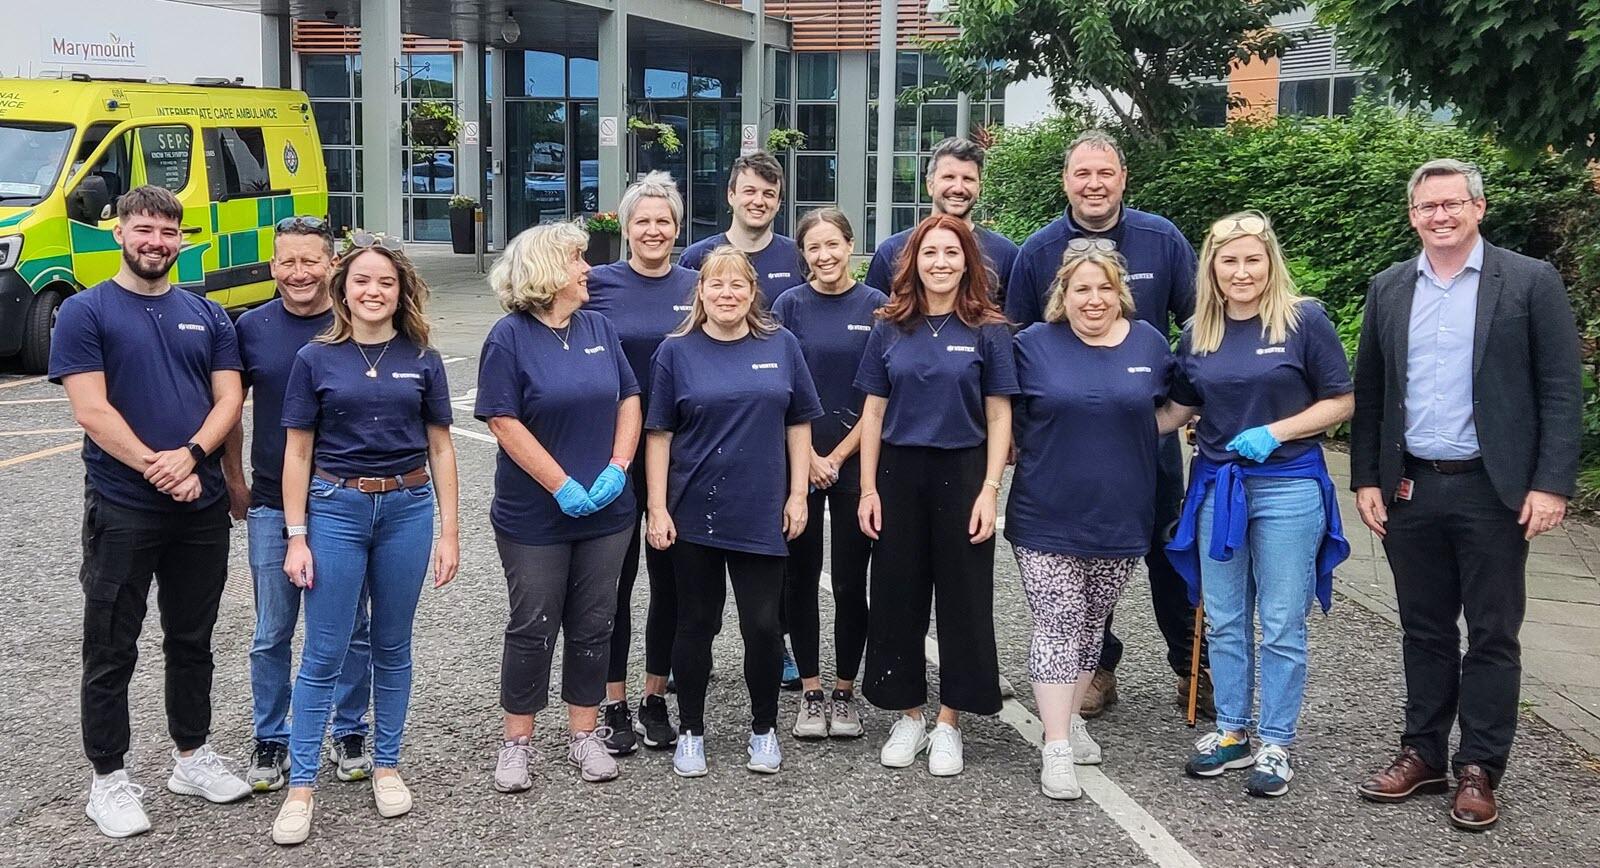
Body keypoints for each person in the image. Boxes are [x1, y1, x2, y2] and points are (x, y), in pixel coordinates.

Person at [1352, 160, 1581, 831]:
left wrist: (1550, 483)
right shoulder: (1390, 287)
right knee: (1423, 630)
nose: (1441, 217)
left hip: (1496, 491)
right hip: (1410, 487)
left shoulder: (1530, 282)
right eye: (1427, 207)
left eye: (1453, 204)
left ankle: (1480, 766)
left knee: (1491, 633)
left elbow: (1562, 391)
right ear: (1412, 215)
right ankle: (1421, 752)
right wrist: (1365, 476)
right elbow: (1371, 392)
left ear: (1479, 208)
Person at [51, 185, 251, 838]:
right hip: (123, 508)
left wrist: (192, 457)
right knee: (111, 646)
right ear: (119, 232)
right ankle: (107, 779)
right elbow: (91, 411)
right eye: (144, 229)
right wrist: (158, 467)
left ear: (182, 239)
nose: (155, 242)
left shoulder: (208, 314)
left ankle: (190, 757)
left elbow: (229, 400)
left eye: (168, 232)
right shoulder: (85, 312)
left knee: (192, 641)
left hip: (200, 510)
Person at [1006, 129, 1203, 720]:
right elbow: (1016, 345)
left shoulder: (1161, 239)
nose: (1094, 185)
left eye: (1105, 174)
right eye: (1082, 174)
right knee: (1085, 556)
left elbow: (1199, 329)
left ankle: (1193, 666)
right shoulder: (1039, 251)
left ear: (1123, 178)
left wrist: (1200, 410)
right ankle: (1097, 668)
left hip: (1144, 434)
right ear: (1066, 181)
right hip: (1067, 446)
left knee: (1170, 551)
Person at [270, 233, 461, 846]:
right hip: (335, 509)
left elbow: (440, 446)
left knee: (392, 644)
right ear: (342, 289)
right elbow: (297, 452)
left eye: (386, 282)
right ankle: (301, 785)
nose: (373, 291)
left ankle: (385, 763)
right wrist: (296, 537)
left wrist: (449, 530)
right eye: (362, 281)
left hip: (407, 508)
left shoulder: (422, 356)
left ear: (401, 291)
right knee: (323, 650)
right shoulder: (315, 360)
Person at [1164, 211, 1353, 799]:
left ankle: (1275, 739)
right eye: (1229, 261)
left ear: (1270, 261)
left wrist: (1278, 430)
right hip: (1218, 486)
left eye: (1252, 259)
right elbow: (1177, 410)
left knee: (1279, 622)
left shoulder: (1304, 321)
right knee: (1221, 618)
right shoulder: (1197, 333)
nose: (1241, 271)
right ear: (1212, 269)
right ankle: (1232, 732)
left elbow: (1342, 400)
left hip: (1288, 485)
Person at [1008, 248, 1193, 799]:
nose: (1093, 301)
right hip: (1046, 511)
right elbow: (1005, 413)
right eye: (1081, 290)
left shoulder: (1148, 344)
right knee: (1059, 621)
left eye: (1104, 289)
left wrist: (1137, 431)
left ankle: (1073, 719)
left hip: (1122, 513)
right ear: (1062, 296)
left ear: (1121, 294)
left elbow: (1177, 406)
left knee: (1092, 625)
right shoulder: (1032, 345)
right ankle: (1057, 746)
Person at [644, 246, 823, 777]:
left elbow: (798, 425)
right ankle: (691, 731)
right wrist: (656, 507)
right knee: (695, 624)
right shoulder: (674, 353)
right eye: (716, 285)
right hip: (694, 510)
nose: (727, 295)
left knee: (763, 627)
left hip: (761, 508)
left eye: (738, 286)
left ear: (752, 293)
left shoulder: (782, 345)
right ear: (700, 292)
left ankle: (763, 728)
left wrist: (797, 494)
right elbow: (658, 435)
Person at [478, 222, 643, 791]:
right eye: (578, 260)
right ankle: (516, 743)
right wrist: (560, 485)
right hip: (535, 516)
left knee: (594, 623)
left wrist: (619, 466)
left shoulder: (598, 325)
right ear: (549, 270)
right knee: (533, 625)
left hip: (608, 513)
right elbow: (503, 421)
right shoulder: (509, 336)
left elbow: (629, 398)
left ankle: (584, 735)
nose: (588, 269)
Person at [855, 214, 1017, 777]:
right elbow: (873, 412)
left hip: (965, 470)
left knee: (963, 598)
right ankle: (910, 713)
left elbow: (1000, 414)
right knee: (897, 594)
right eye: (930, 253)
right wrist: (868, 487)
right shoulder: (887, 325)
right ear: (913, 262)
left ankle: (950, 721)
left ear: (968, 261)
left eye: (952, 253)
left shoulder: (989, 329)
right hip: (899, 472)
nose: (940, 262)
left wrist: (989, 490)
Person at [224, 216, 374, 794]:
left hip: (344, 498)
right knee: (273, 629)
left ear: (332, 264)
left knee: (350, 627)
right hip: (269, 498)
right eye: (287, 261)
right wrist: (233, 479)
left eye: (310, 260)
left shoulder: (355, 324)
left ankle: (351, 728)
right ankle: (271, 735)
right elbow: (231, 408)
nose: (298, 273)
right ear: (272, 266)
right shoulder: (251, 327)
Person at [585, 171, 700, 755]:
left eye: (664, 221)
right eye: (643, 221)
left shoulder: (701, 285)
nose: (654, 230)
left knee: (672, 587)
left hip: (684, 461)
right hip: (611, 458)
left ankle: (657, 697)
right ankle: (613, 702)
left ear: (678, 228)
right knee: (612, 586)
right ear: (625, 227)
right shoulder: (594, 284)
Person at [770, 208, 887, 740]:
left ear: (851, 245)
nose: (824, 256)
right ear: (804, 254)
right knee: (798, 578)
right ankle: (811, 690)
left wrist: (836, 457)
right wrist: (809, 459)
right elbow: (781, 389)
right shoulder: (787, 306)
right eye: (813, 248)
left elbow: (878, 399)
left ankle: (845, 691)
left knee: (847, 581)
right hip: (797, 464)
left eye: (833, 245)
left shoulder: (878, 309)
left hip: (855, 463)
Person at [865, 137, 1019, 305]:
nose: (958, 188)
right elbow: (877, 320)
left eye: (968, 179)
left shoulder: (1006, 254)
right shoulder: (892, 251)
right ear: (930, 185)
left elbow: (1013, 325)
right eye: (949, 177)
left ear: (979, 188)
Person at [679, 151, 808, 303]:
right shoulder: (695, 258)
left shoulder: (798, 257)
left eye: (769, 194)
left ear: (778, 203)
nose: (759, 201)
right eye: (750, 191)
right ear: (731, 195)